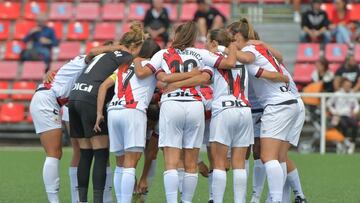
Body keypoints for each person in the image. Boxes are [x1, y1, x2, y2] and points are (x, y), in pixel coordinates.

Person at [133, 21, 238, 203]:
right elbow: (229, 63)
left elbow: (143, 74)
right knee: (191, 163)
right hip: (195, 105)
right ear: (195, 37)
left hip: (171, 104)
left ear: (176, 35)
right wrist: (232, 46)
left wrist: (136, 60)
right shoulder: (202, 53)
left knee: (171, 163)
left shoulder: (162, 53)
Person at [29, 43, 119, 203]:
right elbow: (91, 53)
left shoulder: (95, 68)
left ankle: (88, 199)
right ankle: (57, 200)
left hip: (59, 101)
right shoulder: (89, 61)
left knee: (83, 152)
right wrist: (115, 48)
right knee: (55, 153)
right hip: (50, 99)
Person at [68, 23, 144, 203]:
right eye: (140, 47)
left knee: (85, 154)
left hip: (75, 96)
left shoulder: (104, 53)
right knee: (101, 154)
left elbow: (92, 51)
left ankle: (81, 200)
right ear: (134, 46)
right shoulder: (127, 57)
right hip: (91, 99)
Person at [227, 18, 300, 203]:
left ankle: (275, 199)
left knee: (268, 156)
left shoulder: (250, 50)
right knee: (277, 157)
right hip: (286, 103)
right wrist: (277, 76)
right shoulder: (260, 48)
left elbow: (246, 58)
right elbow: (277, 59)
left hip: (277, 105)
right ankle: (279, 198)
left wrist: (231, 48)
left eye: (230, 37)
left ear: (237, 36)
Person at [94, 39, 159, 203]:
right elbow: (164, 81)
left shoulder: (122, 66)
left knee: (121, 163)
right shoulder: (152, 65)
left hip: (114, 110)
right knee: (131, 162)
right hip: (133, 110)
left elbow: (104, 85)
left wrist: (99, 113)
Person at [206, 28, 254, 203]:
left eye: (207, 40)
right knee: (239, 163)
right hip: (244, 109)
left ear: (213, 42)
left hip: (224, 109)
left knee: (219, 163)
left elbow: (204, 77)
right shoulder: (240, 55)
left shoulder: (211, 55)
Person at [327, 78, 359, 154]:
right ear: (342, 85)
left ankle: (352, 144)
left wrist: (355, 111)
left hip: (348, 116)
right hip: (339, 116)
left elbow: (357, 105)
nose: (348, 87)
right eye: (346, 85)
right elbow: (328, 104)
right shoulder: (337, 94)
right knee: (343, 125)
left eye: (349, 85)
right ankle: (342, 143)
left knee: (355, 125)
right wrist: (334, 112)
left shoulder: (352, 94)